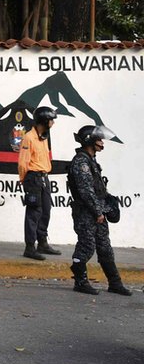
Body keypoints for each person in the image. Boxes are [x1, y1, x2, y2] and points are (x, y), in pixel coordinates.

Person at [67, 125, 132, 296]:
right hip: (86, 213)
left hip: (97, 211)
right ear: (89, 141)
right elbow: (86, 191)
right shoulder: (81, 162)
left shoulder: (91, 160)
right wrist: (98, 212)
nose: (102, 143)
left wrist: (108, 202)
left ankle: (115, 283)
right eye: (99, 139)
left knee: (105, 248)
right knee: (86, 246)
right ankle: (80, 282)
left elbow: (97, 188)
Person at [17, 106, 60, 260]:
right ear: (44, 121)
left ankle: (42, 242)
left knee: (46, 211)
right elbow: (23, 162)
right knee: (33, 213)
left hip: (43, 177)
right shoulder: (29, 137)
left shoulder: (44, 137)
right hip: (33, 178)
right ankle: (30, 247)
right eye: (51, 120)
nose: (53, 123)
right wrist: (24, 181)